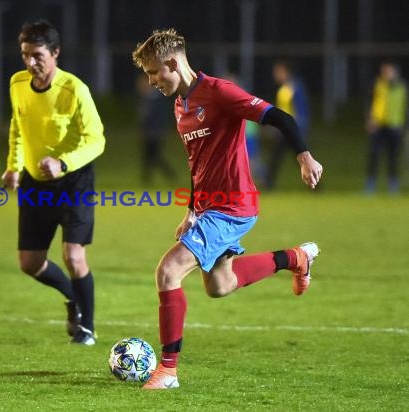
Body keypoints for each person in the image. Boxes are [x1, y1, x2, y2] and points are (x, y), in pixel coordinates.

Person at [132, 29, 323, 389]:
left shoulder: (219, 93)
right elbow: (197, 163)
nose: (152, 81)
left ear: (173, 63)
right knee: (220, 285)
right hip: (208, 209)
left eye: (154, 72)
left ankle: (168, 370)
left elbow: (281, 117)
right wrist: (190, 209)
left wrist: (304, 156)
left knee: (168, 271)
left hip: (233, 206)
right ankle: (296, 258)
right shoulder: (179, 105)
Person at [1, 20, 105, 345]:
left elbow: (97, 139)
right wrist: (14, 167)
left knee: (74, 256)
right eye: (25, 55)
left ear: (56, 53)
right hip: (34, 184)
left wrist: (63, 163)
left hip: (74, 183)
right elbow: (18, 128)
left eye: (37, 55)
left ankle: (86, 326)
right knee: (30, 263)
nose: (30, 63)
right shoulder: (17, 83)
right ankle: (73, 297)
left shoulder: (75, 90)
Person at [265, 60, 310, 190]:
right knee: (276, 157)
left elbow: (302, 109)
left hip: (293, 130)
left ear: (285, 71)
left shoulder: (295, 87)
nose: (276, 75)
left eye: (278, 72)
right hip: (284, 130)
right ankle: (268, 184)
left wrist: (300, 128)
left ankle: (315, 184)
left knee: (303, 157)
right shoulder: (283, 88)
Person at [365, 61, 407, 193]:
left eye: (388, 71)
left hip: (395, 126)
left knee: (393, 157)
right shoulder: (377, 84)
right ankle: (370, 186)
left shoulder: (402, 87)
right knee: (374, 155)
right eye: (384, 72)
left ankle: (392, 186)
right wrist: (369, 119)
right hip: (378, 125)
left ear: (395, 73)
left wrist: (405, 125)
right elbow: (369, 102)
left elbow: (405, 107)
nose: (386, 74)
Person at [136, 74, 177, 185]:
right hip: (149, 132)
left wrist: (158, 130)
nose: (140, 87)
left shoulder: (156, 99)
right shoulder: (146, 99)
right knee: (150, 156)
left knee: (153, 156)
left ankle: (168, 175)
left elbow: (160, 117)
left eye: (142, 84)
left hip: (155, 133)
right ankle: (148, 179)